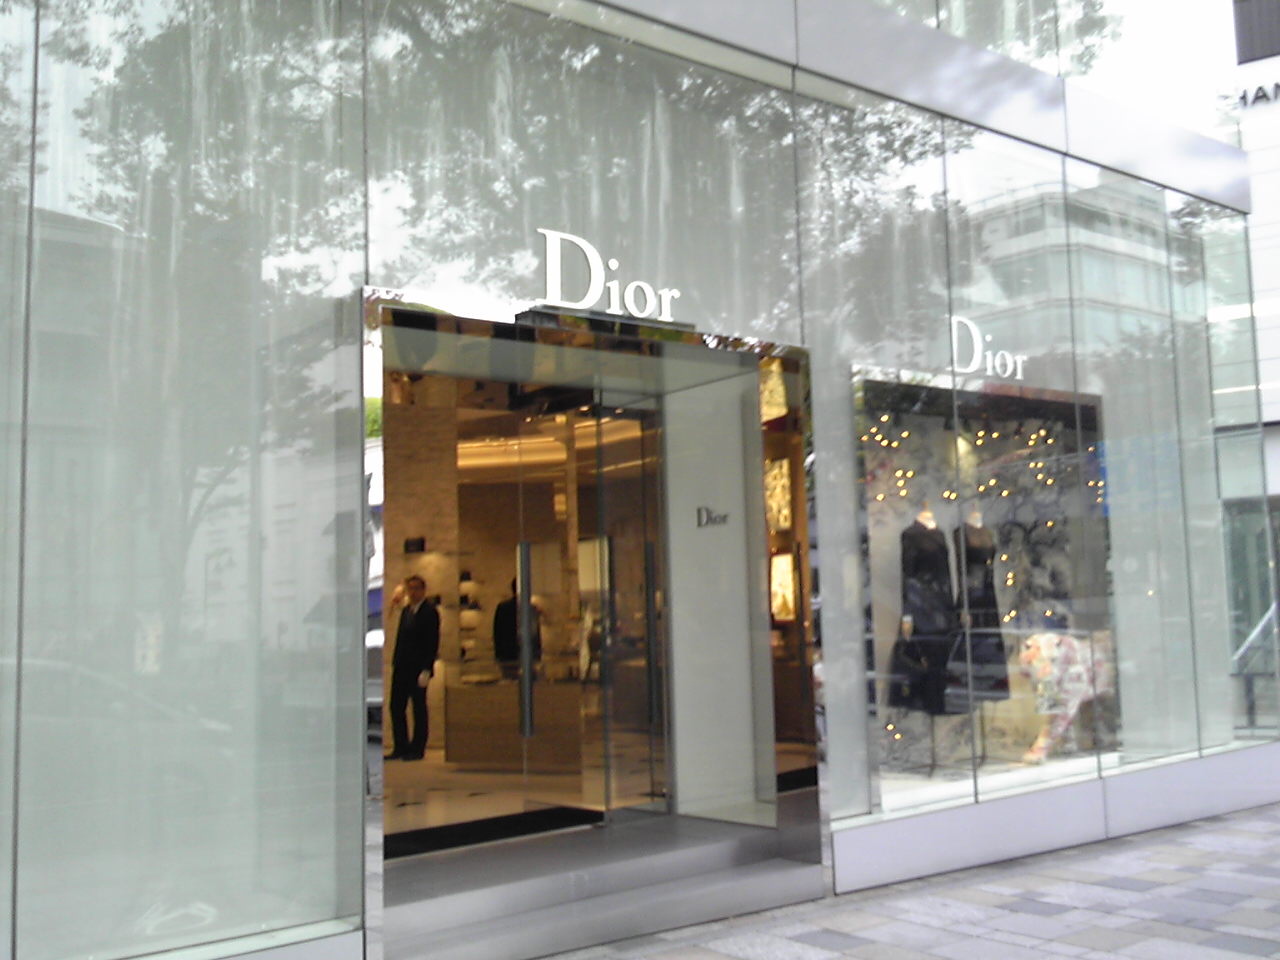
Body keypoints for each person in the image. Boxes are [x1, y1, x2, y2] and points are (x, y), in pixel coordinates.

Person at [386, 575, 440, 761]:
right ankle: (401, 746)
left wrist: (427, 669)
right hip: (402, 666)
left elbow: (432, 641)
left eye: (417, 588)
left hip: (418, 668)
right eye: (410, 588)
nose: (413, 592)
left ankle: (417, 748)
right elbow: (401, 639)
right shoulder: (406, 610)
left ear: (423, 590)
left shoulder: (429, 611)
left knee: (418, 708)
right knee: (396, 706)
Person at [492, 579, 541, 680]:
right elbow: (535, 634)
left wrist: (499, 655)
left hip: (507, 656)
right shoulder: (530, 609)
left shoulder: (503, 608)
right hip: (524, 655)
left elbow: (497, 634)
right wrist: (537, 654)